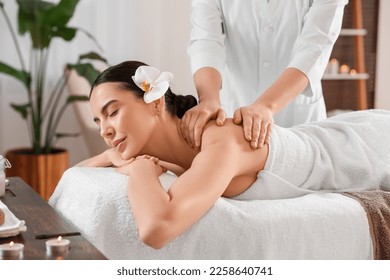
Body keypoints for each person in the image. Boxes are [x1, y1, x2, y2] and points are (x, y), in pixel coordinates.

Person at [77, 61, 390, 249]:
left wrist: (139, 171)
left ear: (155, 103)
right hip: (337, 136)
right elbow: (77, 171)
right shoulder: (190, 153)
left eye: (113, 112)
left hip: (368, 148)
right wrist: (117, 158)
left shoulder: (222, 142)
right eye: (98, 121)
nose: (104, 130)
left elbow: (157, 229)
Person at [183, 0, 348, 150]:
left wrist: (265, 106)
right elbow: (206, 41)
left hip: (298, 119)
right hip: (234, 109)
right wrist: (208, 100)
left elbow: (314, 48)